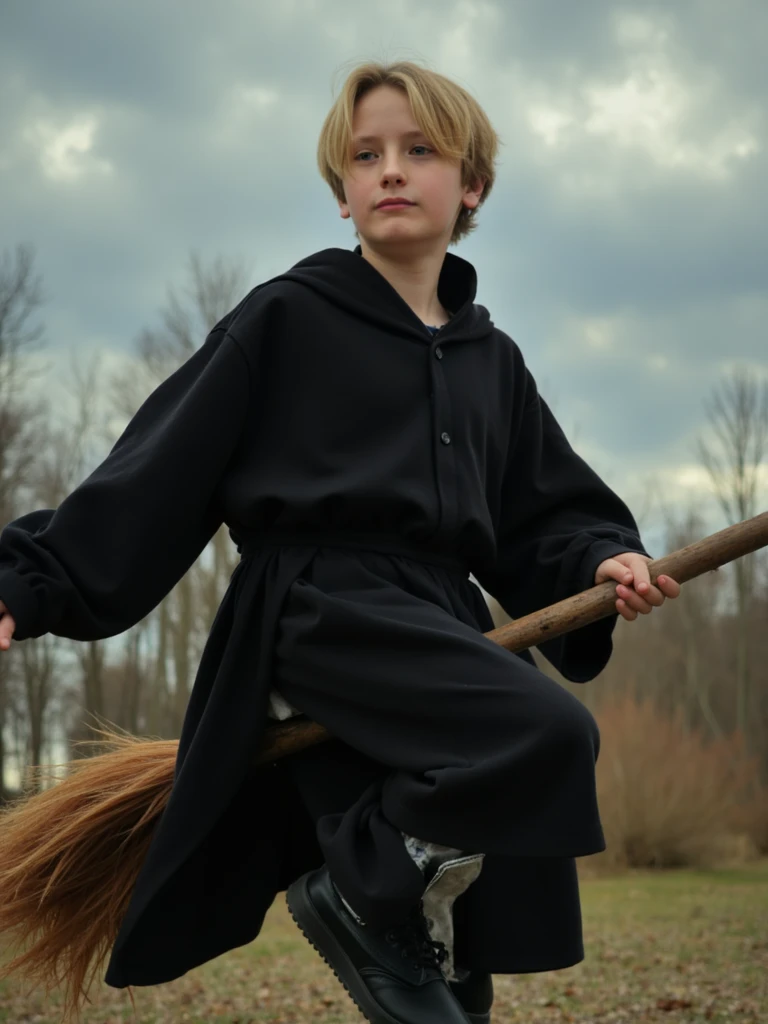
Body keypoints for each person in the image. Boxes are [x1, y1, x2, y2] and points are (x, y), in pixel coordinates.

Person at [0, 60, 680, 1024]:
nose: (390, 171)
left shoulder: (493, 360)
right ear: (343, 193)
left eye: (419, 151)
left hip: (439, 627)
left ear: (473, 185)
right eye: (366, 157)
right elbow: (159, 466)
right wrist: (30, 580)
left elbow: (545, 515)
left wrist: (599, 560)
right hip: (325, 617)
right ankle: (359, 890)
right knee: (545, 732)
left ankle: (388, 909)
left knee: (453, 975)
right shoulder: (288, 316)